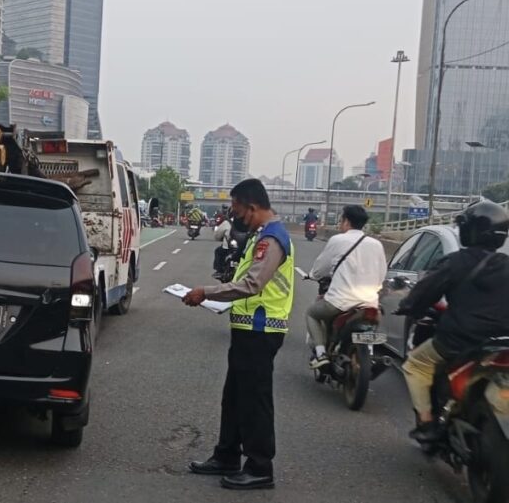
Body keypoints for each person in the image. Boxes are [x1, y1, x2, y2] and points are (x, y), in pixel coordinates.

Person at [182, 179, 294, 491]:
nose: (236, 217)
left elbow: (252, 285)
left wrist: (207, 292)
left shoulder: (271, 239)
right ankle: (227, 455)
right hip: (248, 328)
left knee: (255, 400)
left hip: (262, 329)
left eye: (238, 210)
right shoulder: (260, 235)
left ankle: (260, 466)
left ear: (252, 206)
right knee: (234, 397)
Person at [397, 201, 509, 442]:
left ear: (471, 231)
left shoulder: (456, 262)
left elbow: (424, 293)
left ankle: (426, 423)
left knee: (415, 365)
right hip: (502, 344)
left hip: (460, 341)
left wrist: (407, 307)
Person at [306, 205, 387, 369]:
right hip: (370, 303)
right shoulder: (376, 244)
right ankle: (370, 354)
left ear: (346, 222)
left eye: (341, 220)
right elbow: (381, 276)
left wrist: (312, 275)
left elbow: (320, 269)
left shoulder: (338, 240)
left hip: (340, 302)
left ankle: (321, 354)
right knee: (375, 327)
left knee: (311, 313)